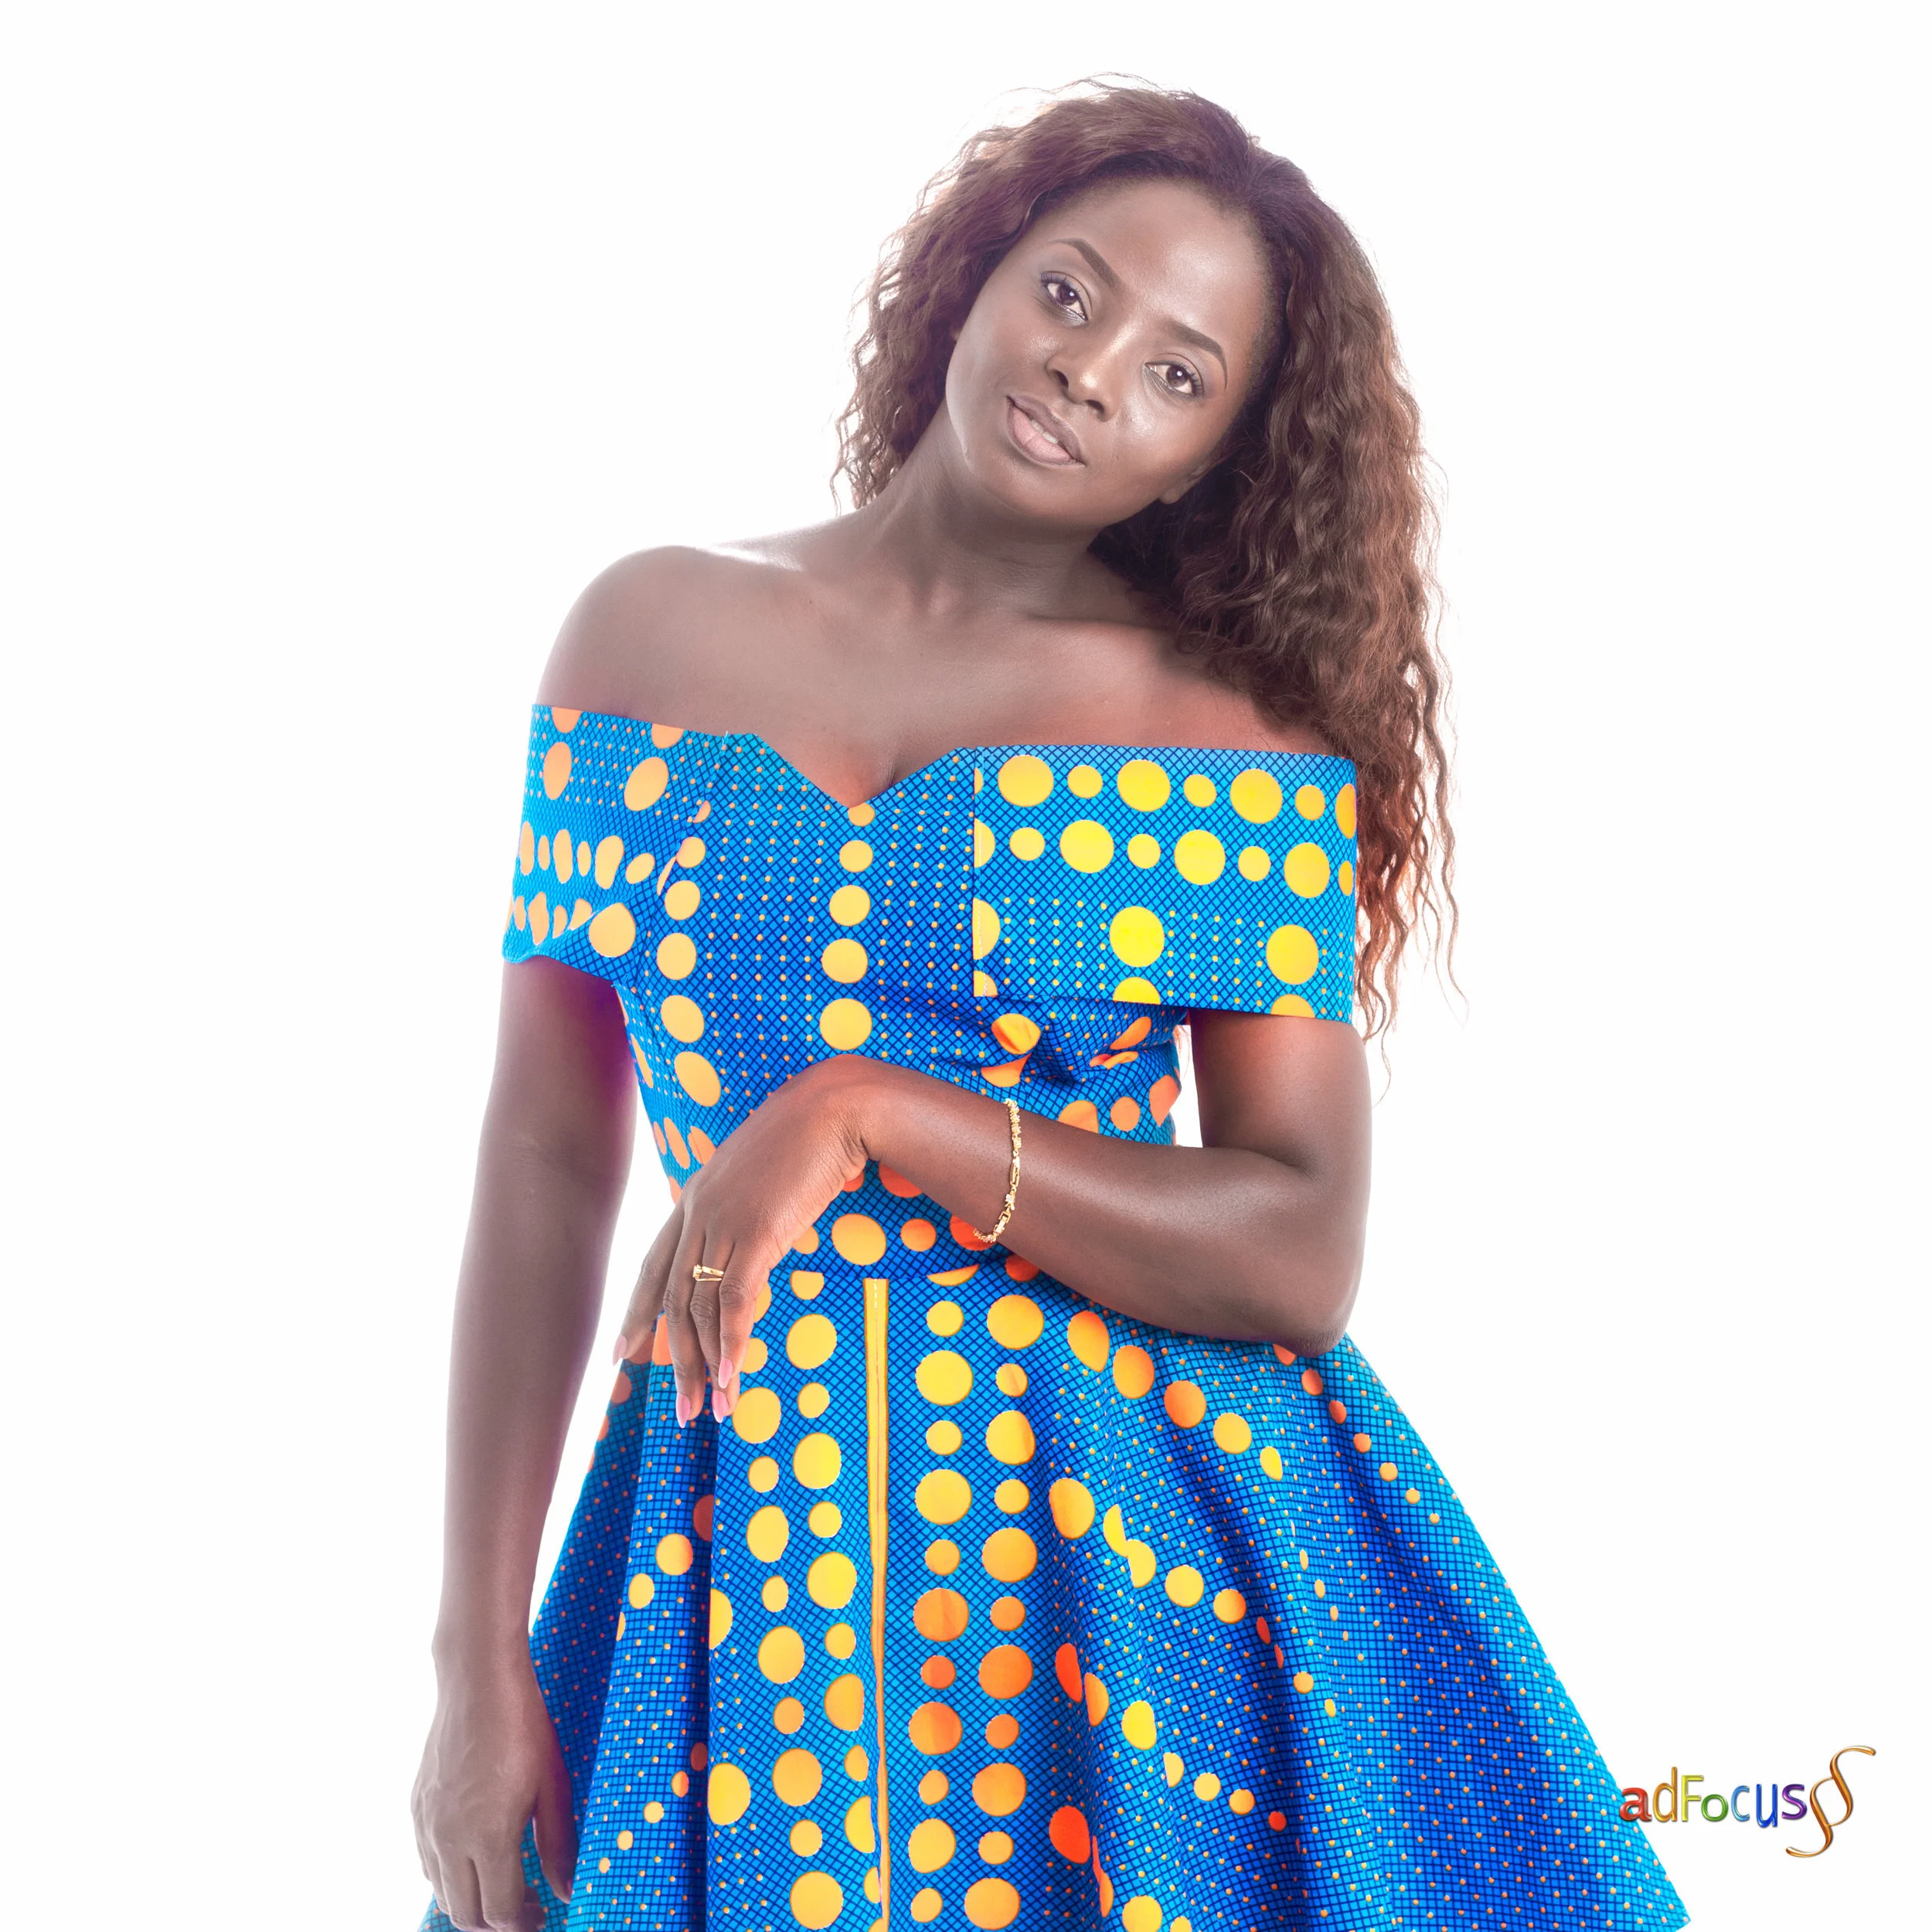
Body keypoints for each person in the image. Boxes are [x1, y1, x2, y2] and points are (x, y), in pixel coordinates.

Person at [411, 83, 1688, 1932]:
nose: (1092, 373)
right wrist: (473, 1655)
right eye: (1071, 293)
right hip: (727, 1525)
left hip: (1121, 1562)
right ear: (972, 275)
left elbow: (1297, 1242)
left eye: (1176, 376)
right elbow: (543, 1150)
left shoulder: (1227, 741)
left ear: (1208, 462)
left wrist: (867, 1111)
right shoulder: (641, 636)